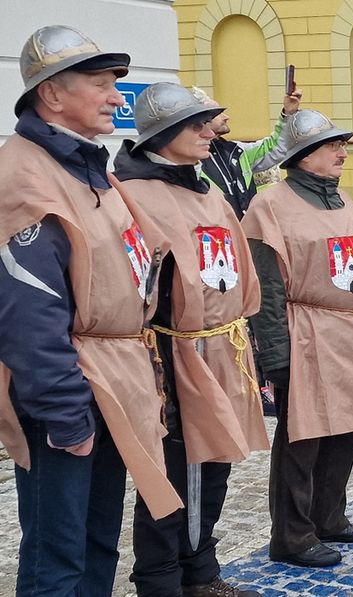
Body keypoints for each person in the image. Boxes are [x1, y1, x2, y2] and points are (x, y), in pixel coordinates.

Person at [0, 25, 181, 596]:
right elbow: (29, 311)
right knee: (58, 557)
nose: (116, 96)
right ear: (52, 93)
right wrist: (64, 414)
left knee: (98, 540)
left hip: (112, 381)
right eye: (100, 83)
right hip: (70, 390)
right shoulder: (25, 175)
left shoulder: (87, 166)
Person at [114, 82, 267, 597]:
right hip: (169, 353)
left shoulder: (209, 191)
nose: (209, 132)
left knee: (216, 462)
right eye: (196, 124)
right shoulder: (130, 196)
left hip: (223, 345)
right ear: (163, 133)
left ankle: (201, 570)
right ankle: (160, 580)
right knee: (172, 472)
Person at [242, 109, 353, 568]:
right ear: (304, 155)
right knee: (302, 439)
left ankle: (330, 516)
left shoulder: (342, 199)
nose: (343, 152)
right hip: (305, 334)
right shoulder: (269, 206)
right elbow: (266, 287)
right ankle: (292, 536)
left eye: (342, 144)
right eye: (333, 146)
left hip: (352, 333)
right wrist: (275, 354)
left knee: (347, 427)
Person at [190, 86, 300, 218]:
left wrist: (288, 114)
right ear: (199, 121)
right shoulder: (186, 162)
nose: (226, 117)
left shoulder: (236, 151)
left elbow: (274, 148)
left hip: (244, 229)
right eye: (217, 114)